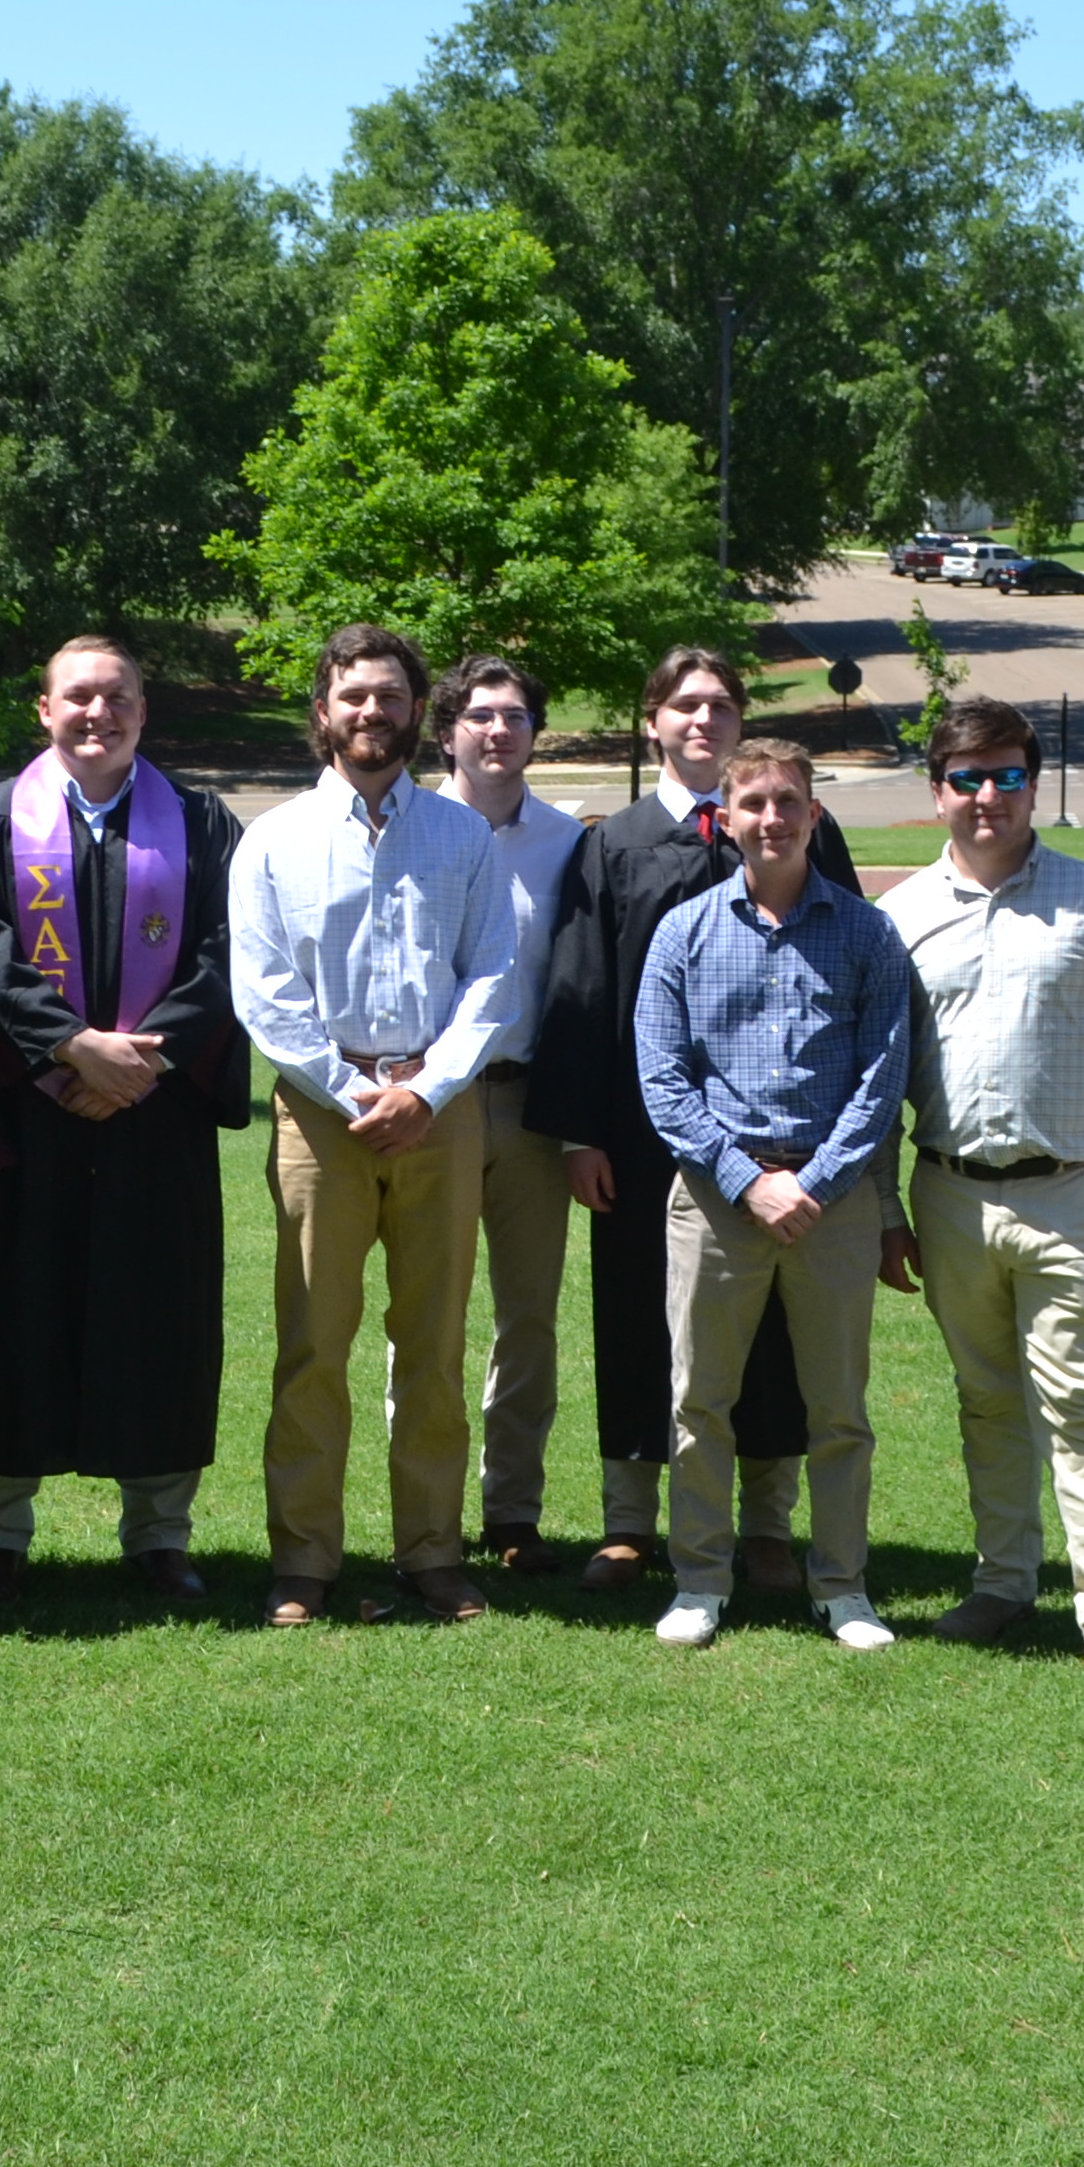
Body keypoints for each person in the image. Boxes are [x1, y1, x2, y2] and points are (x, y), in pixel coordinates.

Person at [881, 698, 1084, 1699]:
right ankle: (1004, 1583)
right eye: (967, 778)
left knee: (1081, 1410)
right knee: (986, 1403)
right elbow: (877, 1074)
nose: (987, 797)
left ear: (1033, 784)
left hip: (1075, 1199)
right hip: (949, 1196)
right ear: (938, 791)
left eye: (1007, 776)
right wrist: (887, 1207)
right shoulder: (897, 917)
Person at [519, 646, 846, 1591]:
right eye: (685, 704)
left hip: (782, 1136)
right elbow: (581, 992)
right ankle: (629, 1521)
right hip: (642, 1137)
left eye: (722, 704)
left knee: (774, 1329)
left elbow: (848, 972)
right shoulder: (613, 844)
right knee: (636, 1318)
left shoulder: (804, 835)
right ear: (652, 720)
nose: (704, 719)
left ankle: (769, 1526)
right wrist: (580, 1133)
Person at [0, 635, 248, 1604]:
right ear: (45, 709)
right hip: (26, 1115)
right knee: (6, 1318)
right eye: (78, 697)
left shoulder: (199, 822)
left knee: (158, 1316)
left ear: (143, 712)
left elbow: (231, 949)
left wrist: (136, 1063)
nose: (97, 714)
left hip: (155, 1117)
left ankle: (158, 1533)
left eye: (117, 698)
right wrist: (71, 1048)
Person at [229, 623, 523, 1627]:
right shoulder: (272, 841)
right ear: (323, 712)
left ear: (414, 714)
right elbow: (264, 991)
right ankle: (304, 1561)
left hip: (440, 1115)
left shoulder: (462, 837)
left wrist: (427, 1089)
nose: (371, 713)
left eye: (390, 698)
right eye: (353, 696)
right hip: (322, 1119)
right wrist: (351, 1089)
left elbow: (492, 975)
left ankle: (432, 1554)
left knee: (434, 1342)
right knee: (315, 1342)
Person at [632, 738, 914, 1652]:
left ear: (815, 815)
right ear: (726, 817)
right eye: (752, 802)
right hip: (718, 1195)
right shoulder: (685, 932)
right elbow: (665, 1081)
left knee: (838, 1410)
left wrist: (816, 1183)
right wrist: (751, 1183)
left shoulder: (866, 933)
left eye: (788, 801)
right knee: (699, 1402)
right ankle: (700, 1581)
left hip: (833, 1203)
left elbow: (882, 1075)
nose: (771, 819)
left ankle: (843, 1587)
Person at [433, 656, 586, 1572]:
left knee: (527, 1320)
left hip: (532, 1107)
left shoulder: (570, 844)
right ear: (448, 727)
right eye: (482, 715)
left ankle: (512, 1512)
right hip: (437, 1107)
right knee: (430, 1317)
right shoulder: (409, 829)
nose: (499, 731)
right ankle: (430, 1514)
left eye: (517, 716)